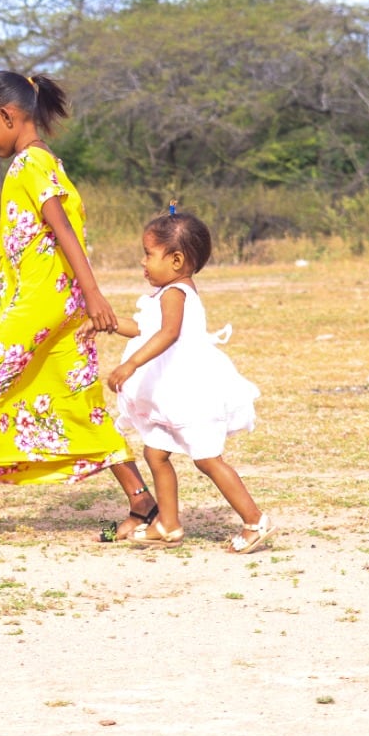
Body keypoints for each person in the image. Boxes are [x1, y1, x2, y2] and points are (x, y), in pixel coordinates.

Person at [0, 71, 158, 544]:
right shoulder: (51, 164)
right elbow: (33, 249)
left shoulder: (27, 166)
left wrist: (97, 293)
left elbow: (62, 231)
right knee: (80, 403)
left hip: (39, 311)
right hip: (65, 308)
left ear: (7, 116)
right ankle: (142, 504)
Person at [87, 210, 270, 553]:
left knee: (207, 460)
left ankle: (254, 520)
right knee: (156, 453)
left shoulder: (177, 293)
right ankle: (168, 524)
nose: (142, 262)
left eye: (148, 254)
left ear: (176, 260)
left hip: (190, 393)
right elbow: (143, 328)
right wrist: (106, 323)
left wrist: (130, 364)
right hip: (171, 393)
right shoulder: (165, 293)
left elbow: (168, 334)